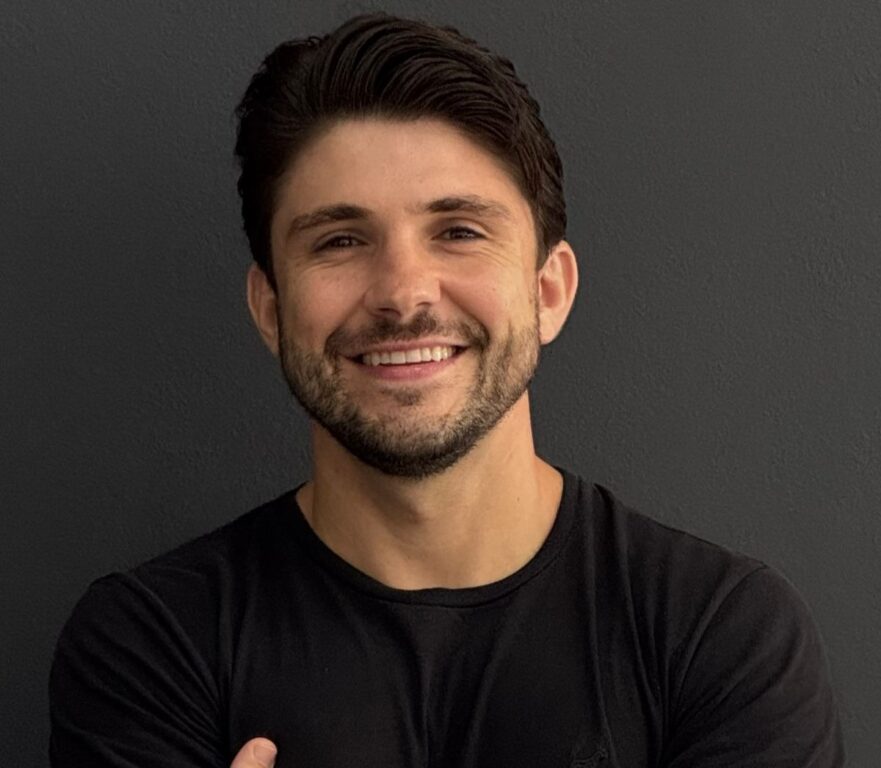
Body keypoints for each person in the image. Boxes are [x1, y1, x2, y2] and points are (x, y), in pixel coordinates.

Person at [49, 13, 844, 768]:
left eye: (458, 231)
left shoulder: (718, 632)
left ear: (548, 291)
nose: (403, 293)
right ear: (270, 309)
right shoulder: (151, 644)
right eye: (340, 240)